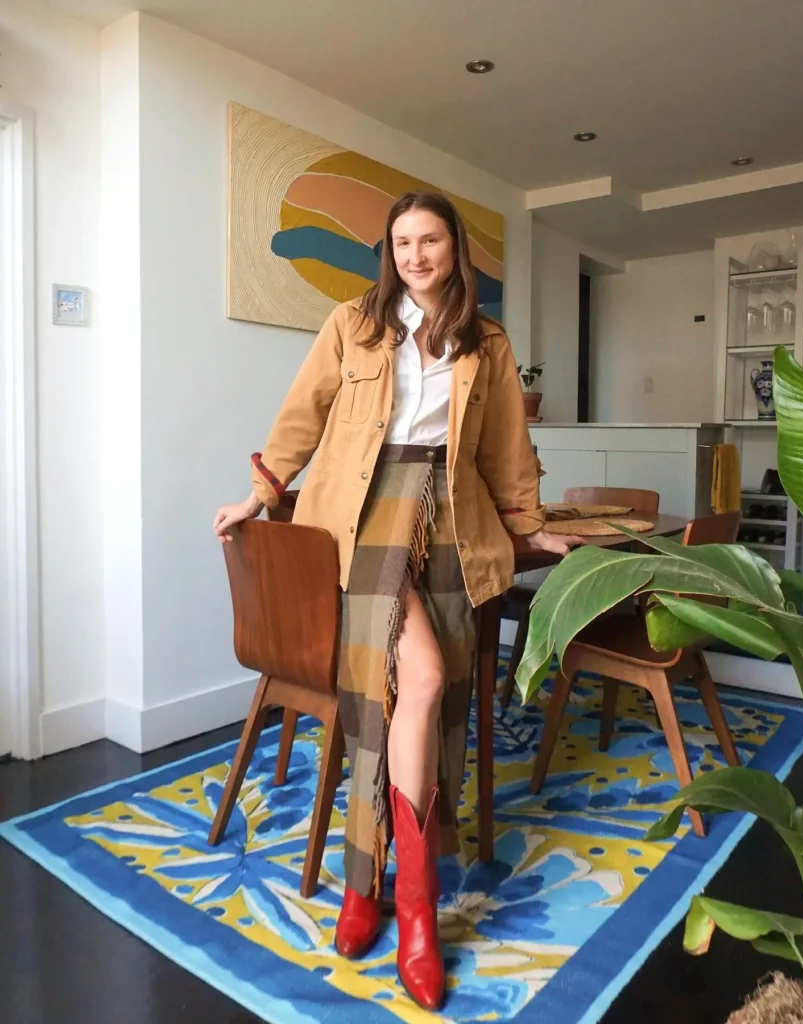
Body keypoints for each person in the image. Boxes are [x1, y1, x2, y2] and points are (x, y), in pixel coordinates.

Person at [213, 191, 582, 1010]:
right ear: (389, 249)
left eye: (430, 240)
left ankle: (376, 888)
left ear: (455, 248)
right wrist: (260, 491)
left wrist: (530, 525)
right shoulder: (354, 322)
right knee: (412, 682)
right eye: (402, 241)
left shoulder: (485, 340)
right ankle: (406, 906)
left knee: (435, 692)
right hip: (361, 509)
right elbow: (302, 414)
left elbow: (502, 448)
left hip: (453, 512)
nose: (415, 254)